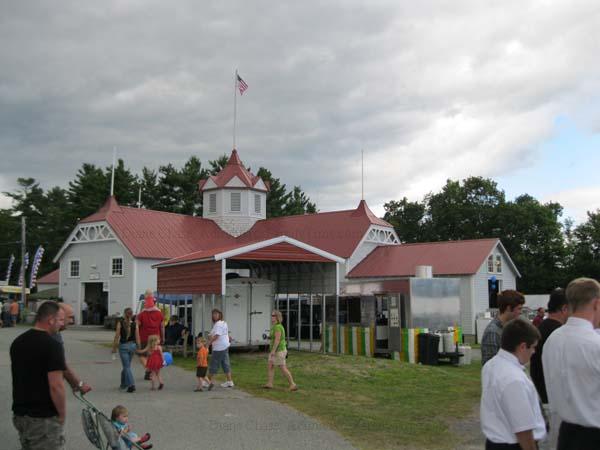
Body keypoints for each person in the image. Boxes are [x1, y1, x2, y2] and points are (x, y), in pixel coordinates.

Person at [543, 278, 600, 450]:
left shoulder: (552, 340)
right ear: (596, 304)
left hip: (564, 433)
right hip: (593, 435)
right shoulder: (595, 344)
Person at [480, 318, 545, 449]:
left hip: (495, 442)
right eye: (532, 347)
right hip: (514, 444)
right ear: (522, 346)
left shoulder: (491, 365)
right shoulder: (514, 379)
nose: (534, 352)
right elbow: (523, 429)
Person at [10, 301, 67, 449]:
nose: (62, 324)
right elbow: (56, 386)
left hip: (21, 415)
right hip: (43, 418)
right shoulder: (52, 346)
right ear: (50, 320)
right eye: (60, 320)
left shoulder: (18, 342)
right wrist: (61, 414)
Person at [529, 288, 568, 449]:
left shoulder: (542, 327)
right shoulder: (557, 333)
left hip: (541, 393)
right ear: (564, 308)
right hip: (551, 399)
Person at [481, 290, 525, 365]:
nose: (521, 312)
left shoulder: (509, 328)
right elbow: (491, 366)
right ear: (508, 308)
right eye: (519, 308)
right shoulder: (493, 332)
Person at [263, 310, 298, 391]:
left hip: (279, 350)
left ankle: (293, 384)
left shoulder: (278, 327)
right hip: (275, 350)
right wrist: (268, 337)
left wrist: (273, 351)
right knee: (270, 365)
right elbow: (274, 337)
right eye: (271, 315)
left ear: (277, 317)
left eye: (273, 315)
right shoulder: (274, 326)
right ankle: (270, 383)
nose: (272, 317)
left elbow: (277, 340)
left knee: (282, 367)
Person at [136, 289, 165, 380]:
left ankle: (148, 369)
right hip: (156, 338)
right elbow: (162, 327)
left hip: (144, 337)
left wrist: (137, 340)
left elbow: (136, 327)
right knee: (153, 355)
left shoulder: (141, 314)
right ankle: (150, 371)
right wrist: (163, 337)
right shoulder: (160, 314)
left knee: (142, 355)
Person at [206, 308, 234, 390]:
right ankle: (229, 381)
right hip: (224, 346)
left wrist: (208, 344)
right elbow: (212, 334)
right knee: (225, 363)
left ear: (220, 314)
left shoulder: (218, 324)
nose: (214, 315)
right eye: (213, 314)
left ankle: (207, 381)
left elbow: (216, 336)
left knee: (214, 364)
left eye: (216, 314)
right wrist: (210, 336)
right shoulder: (222, 323)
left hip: (219, 347)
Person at [112, 307, 137, 393]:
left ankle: (131, 384)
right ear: (132, 314)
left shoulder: (120, 323)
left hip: (123, 346)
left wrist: (114, 348)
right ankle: (123, 384)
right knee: (127, 366)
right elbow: (137, 336)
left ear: (124, 314)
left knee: (126, 367)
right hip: (133, 345)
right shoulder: (134, 323)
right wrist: (139, 347)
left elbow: (117, 335)